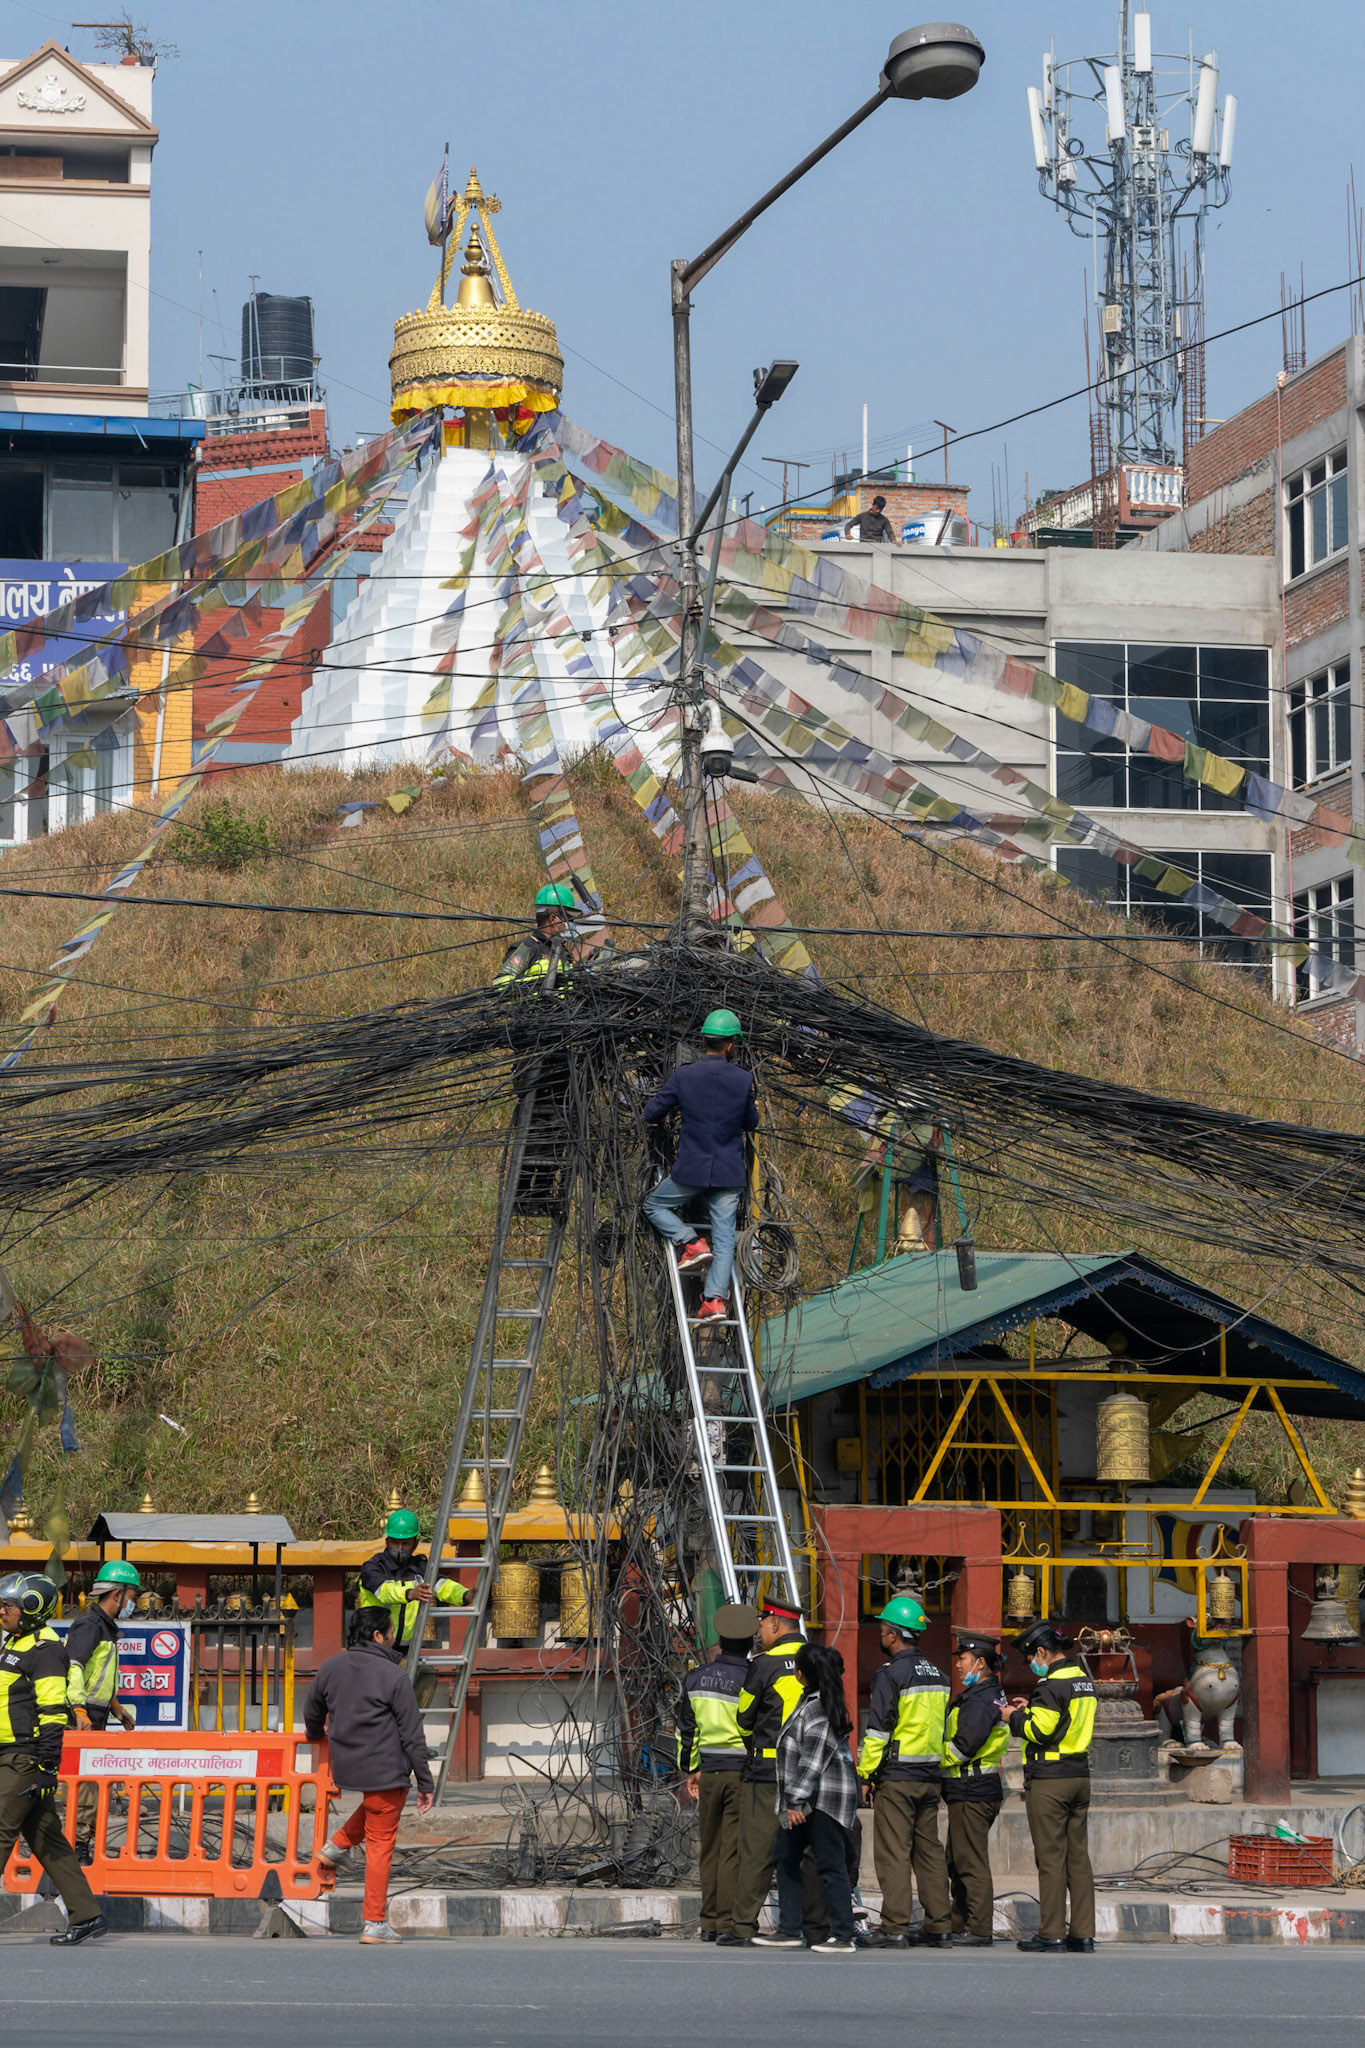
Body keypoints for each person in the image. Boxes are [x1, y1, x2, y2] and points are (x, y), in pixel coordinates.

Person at [305, 1606, 435, 1945]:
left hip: (347, 1765)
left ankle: (335, 1847)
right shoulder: (394, 1675)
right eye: (391, 1632)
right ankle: (374, 1922)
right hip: (385, 1768)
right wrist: (426, 1782)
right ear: (378, 1635)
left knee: (380, 1808)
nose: (394, 1638)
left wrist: (318, 1734)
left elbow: (312, 1710)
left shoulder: (331, 1666)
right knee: (381, 1845)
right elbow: (412, 1735)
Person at [0, 1572, 106, 1946]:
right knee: (48, 1841)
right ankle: (87, 1914)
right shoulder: (16, 1643)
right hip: (11, 1755)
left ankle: (86, 1913)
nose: (2, 1611)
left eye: (9, 1605)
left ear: (31, 1608)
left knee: (0, 1831)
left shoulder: (45, 1651)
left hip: (22, 1759)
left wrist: (46, 1766)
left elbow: (51, 1713)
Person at [642, 1009, 758, 1324]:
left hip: (691, 1170)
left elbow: (652, 1111)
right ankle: (714, 1301)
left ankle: (691, 1242)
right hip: (728, 1173)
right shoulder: (743, 1079)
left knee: (653, 1206)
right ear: (731, 1045)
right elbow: (751, 1123)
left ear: (704, 1040)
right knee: (724, 1241)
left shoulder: (685, 1075)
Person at [724, 1597, 828, 1947]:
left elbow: (743, 1719)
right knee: (808, 1853)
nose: (759, 1632)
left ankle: (742, 1927)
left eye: (762, 1624)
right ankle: (809, 1925)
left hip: (768, 1773)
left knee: (757, 1851)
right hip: (813, 1771)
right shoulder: (818, 1658)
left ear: (773, 1625)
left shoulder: (764, 1664)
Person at [856, 1593, 952, 1948]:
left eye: (882, 1629)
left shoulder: (890, 1674)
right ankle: (940, 1925)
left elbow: (879, 1730)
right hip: (930, 1777)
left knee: (894, 1852)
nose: (880, 1635)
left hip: (897, 1778)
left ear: (894, 1634)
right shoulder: (940, 1675)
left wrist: (865, 1775)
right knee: (929, 1853)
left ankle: (895, 1926)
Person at [759, 1643, 860, 1956]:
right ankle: (789, 1928)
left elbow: (812, 1761)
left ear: (801, 1674)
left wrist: (794, 1802)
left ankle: (843, 1934)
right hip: (810, 1798)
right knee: (784, 1855)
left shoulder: (817, 1708)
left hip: (822, 1800)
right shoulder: (811, 1701)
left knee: (830, 1865)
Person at [1008, 1622, 1097, 1954]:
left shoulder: (1049, 1686)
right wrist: (1027, 1710)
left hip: (1050, 1781)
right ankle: (1083, 1933)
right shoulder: (1083, 1681)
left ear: (1042, 1653)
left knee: (1050, 1858)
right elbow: (1063, 1722)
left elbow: (1040, 1731)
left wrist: (1012, 1717)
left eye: (1031, 1657)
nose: (1032, 1664)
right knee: (1078, 1858)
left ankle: (1052, 1932)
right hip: (1079, 1776)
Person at [675, 1602, 757, 1942]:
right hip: (741, 1773)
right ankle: (726, 1922)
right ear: (751, 1643)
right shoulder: (752, 1678)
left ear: (720, 1641)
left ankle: (708, 1923)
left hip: (707, 1774)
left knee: (709, 1848)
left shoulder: (695, 1678)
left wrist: (690, 1771)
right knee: (732, 1849)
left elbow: (686, 1732)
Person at [65, 1559, 140, 1858]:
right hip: (81, 1717)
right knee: (85, 1788)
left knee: (97, 1785)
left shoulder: (106, 1628)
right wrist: (79, 1711)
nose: (132, 1603)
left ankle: (89, 1843)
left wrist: (117, 1708)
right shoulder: (90, 1625)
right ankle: (78, 1846)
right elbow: (72, 1667)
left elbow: (99, 1675)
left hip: (98, 1716)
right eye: (131, 1597)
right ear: (117, 1594)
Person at [356, 1508, 466, 1710]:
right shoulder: (373, 1567)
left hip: (405, 1649)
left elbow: (441, 1585)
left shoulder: (421, 1567)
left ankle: (407, 1725)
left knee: (426, 1675)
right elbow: (384, 1591)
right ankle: (390, 1726)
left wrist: (464, 1595)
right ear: (387, 1541)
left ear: (415, 1543)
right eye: (395, 1542)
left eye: (405, 1543)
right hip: (374, 1647)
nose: (399, 1547)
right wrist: (410, 1594)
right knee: (397, 1681)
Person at [941, 1631, 1011, 1946]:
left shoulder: (982, 1698)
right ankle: (959, 1921)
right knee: (957, 1860)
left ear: (980, 1663)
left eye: (963, 1659)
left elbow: (964, 1745)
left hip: (973, 1790)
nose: (958, 1665)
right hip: (967, 1789)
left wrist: (932, 1760)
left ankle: (980, 1928)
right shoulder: (982, 1694)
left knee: (970, 1862)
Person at [492, 882, 578, 991]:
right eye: (569, 919)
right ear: (553, 920)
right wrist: (538, 986)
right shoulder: (528, 948)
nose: (571, 925)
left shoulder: (564, 953)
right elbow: (500, 984)